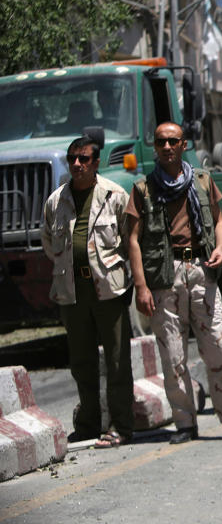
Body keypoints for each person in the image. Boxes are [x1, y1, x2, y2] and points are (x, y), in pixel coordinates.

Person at [126, 122, 222, 443]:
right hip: (164, 278)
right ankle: (185, 424)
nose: (166, 147)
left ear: (184, 145)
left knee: (219, 349)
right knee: (173, 355)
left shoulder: (202, 181)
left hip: (200, 270)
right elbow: (133, 240)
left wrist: (221, 248)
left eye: (172, 141)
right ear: (154, 147)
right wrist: (141, 287)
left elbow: (220, 220)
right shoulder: (143, 189)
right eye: (160, 142)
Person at [41, 135, 134, 448]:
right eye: (72, 160)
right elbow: (49, 245)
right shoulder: (56, 202)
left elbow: (130, 240)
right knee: (81, 362)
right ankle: (89, 423)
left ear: (96, 162)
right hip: (72, 292)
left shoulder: (115, 196)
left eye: (83, 159)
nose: (77, 165)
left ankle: (121, 425)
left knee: (118, 360)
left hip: (109, 290)